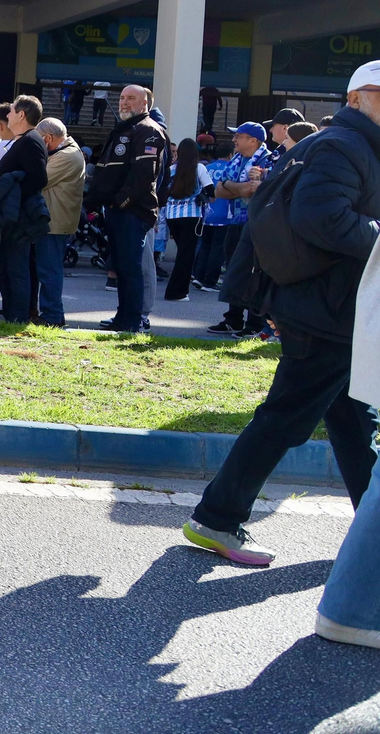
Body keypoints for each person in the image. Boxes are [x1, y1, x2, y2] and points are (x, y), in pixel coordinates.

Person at [185, 59, 380, 568]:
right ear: (355, 98)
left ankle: (373, 532)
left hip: (326, 307)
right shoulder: (345, 145)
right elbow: (321, 218)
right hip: (326, 310)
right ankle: (216, 517)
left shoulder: (338, 144)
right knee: (284, 420)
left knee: (354, 421)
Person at [86, 85, 170, 333]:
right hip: (117, 210)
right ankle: (123, 318)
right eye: (122, 98)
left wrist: (119, 202)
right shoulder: (124, 128)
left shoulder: (149, 130)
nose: (124, 102)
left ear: (145, 104)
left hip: (133, 211)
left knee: (131, 268)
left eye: (131, 98)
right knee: (121, 267)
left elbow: (144, 177)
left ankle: (132, 321)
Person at [205, 123, 275, 335]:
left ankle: (254, 324)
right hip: (234, 223)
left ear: (253, 140)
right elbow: (219, 190)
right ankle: (233, 319)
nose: (234, 140)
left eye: (239, 136)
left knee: (254, 273)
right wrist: (242, 189)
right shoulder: (236, 160)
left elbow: (258, 191)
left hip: (257, 225)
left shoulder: (268, 160)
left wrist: (232, 187)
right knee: (234, 271)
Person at [0, 95, 49, 323]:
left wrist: (11, 195)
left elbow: (38, 179)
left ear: (22, 115)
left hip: (19, 217)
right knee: (8, 266)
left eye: (12, 111)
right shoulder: (24, 140)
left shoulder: (31, 140)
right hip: (12, 215)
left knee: (16, 268)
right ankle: (11, 313)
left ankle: (18, 317)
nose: (8, 115)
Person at [36, 118, 84, 327]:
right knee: (48, 269)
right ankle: (53, 313)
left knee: (49, 271)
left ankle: (52, 315)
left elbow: (40, 178)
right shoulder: (67, 152)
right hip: (55, 219)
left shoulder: (67, 155)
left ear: (48, 138)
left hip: (55, 221)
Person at [161, 137, 212, 301]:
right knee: (186, 256)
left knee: (183, 253)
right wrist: (203, 195)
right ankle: (177, 292)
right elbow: (211, 190)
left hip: (172, 216)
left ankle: (177, 290)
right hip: (192, 216)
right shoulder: (199, 168)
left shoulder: (171, 169)